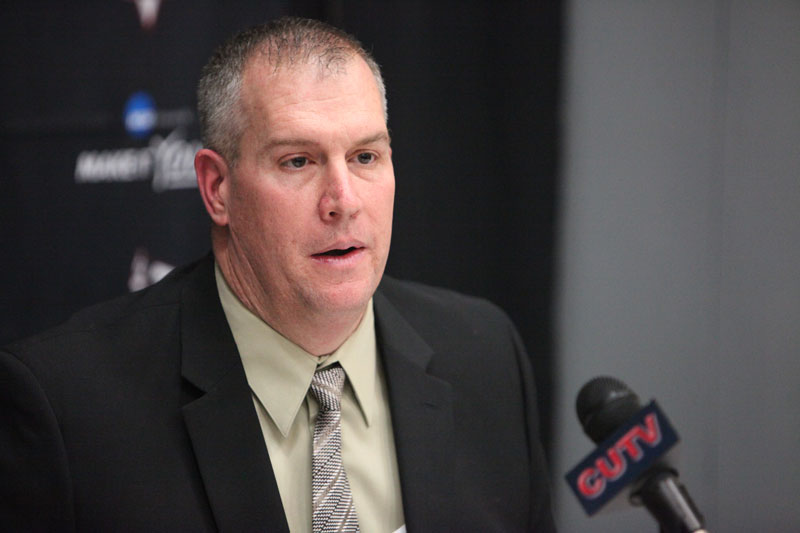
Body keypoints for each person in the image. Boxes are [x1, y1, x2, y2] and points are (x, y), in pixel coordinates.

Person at [0, 17, 555, 532]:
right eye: (299, 161)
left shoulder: (486, 356)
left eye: (365, 157)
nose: (343, 201)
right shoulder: (67, 410)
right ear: (217, 188)